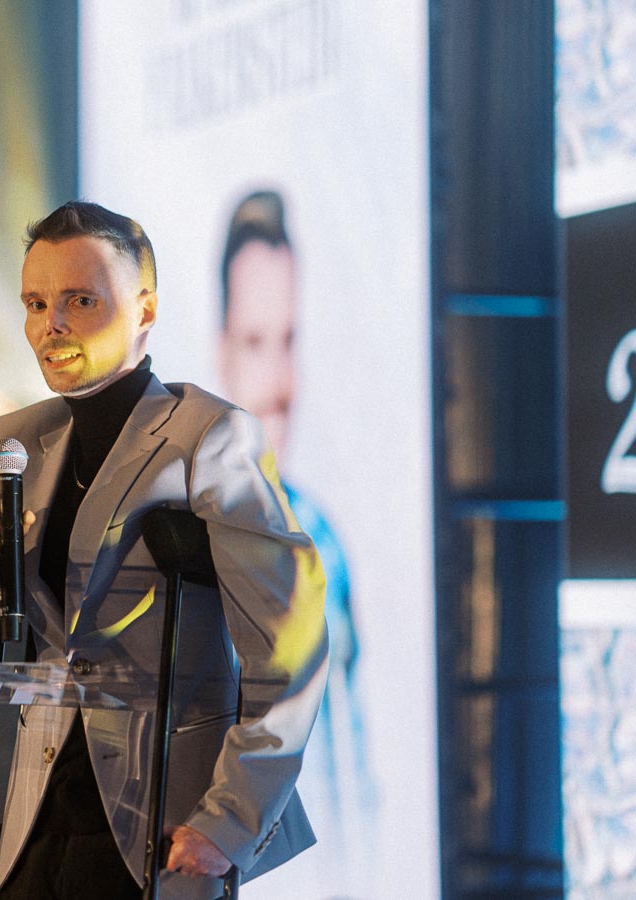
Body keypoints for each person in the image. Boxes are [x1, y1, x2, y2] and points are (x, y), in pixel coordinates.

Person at [0, 201, 328, 899]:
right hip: (32, 833)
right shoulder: (9, 446)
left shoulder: (209, 439)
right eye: (36, 302)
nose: (53, 324)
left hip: (158, 834)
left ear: (145, 310)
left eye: (80, 299)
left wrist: (227, 824)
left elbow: (294, 641)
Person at [217, 190, 372, 882]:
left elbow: (355, 789)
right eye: (256, 343)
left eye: (289, 341)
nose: (280, 384)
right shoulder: (180, 546)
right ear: (222, 354)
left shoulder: (327, 551)